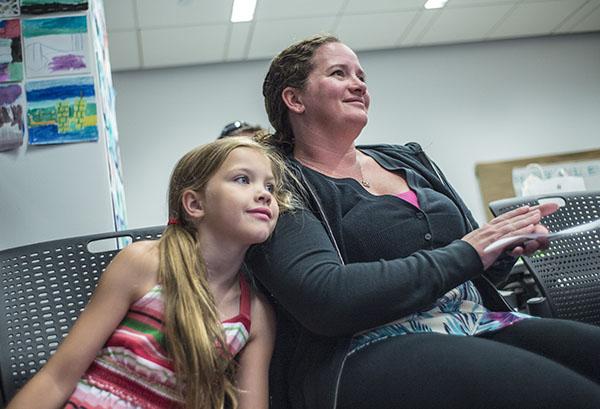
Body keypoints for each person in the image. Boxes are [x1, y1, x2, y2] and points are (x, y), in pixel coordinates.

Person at [246, 34, 600, 409]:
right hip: (369, 343)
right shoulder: (279, 182)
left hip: (475, 320)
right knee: (563, 395)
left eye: (361, 76)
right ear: (295, 99)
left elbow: (470, 273)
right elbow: (327, 298)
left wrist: (502, 249)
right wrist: (467, 253)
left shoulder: (408, 158)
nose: (359, 84)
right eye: (339, 73)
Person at [7, 137, 295, 409]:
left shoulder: (255, 315)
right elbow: (57, 378)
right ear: (195, 204)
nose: (264, 194)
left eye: (270, 187)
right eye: (242, 179)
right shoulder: (144, 263)